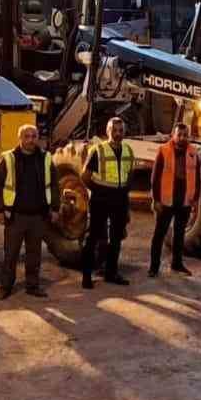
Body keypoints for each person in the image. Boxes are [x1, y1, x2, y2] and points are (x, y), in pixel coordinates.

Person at [0, 123, 55, 299]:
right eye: (27, 136)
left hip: (38, 216)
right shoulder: (9, 158)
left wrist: (54, 208)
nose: (31, 140)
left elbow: (54, 184)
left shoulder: (45, 158)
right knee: (10, 254)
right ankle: (5, 287)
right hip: (15, 216)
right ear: (20, 138)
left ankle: (32, 286)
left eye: (34, 136)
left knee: (34, 254)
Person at [80, 116, 135, 288]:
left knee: (116, 238)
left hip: (120, 199)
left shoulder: (128, 150)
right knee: (93, 238)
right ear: (107, 131)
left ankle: (111, 273)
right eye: (114, 130)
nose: (118, 134)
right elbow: (85, 177)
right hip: (100, 200)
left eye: (121, 130)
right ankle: (87, 276)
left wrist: (126, 200)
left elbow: (129, 176)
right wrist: (98, 191)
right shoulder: (98, 150)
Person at [149, 121, 199, 277]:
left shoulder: (193, 152)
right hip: (166, 200)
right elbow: (155, 178)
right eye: (180, 135)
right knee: (159, 234)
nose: (182, 138)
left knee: (179, 235)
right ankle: (154, 267)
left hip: (184, 200)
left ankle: (177, 265)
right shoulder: (163, 151)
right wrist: (156, 199)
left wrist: (195, 199)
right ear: (173, 135)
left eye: (185, 135)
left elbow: (197, 177)